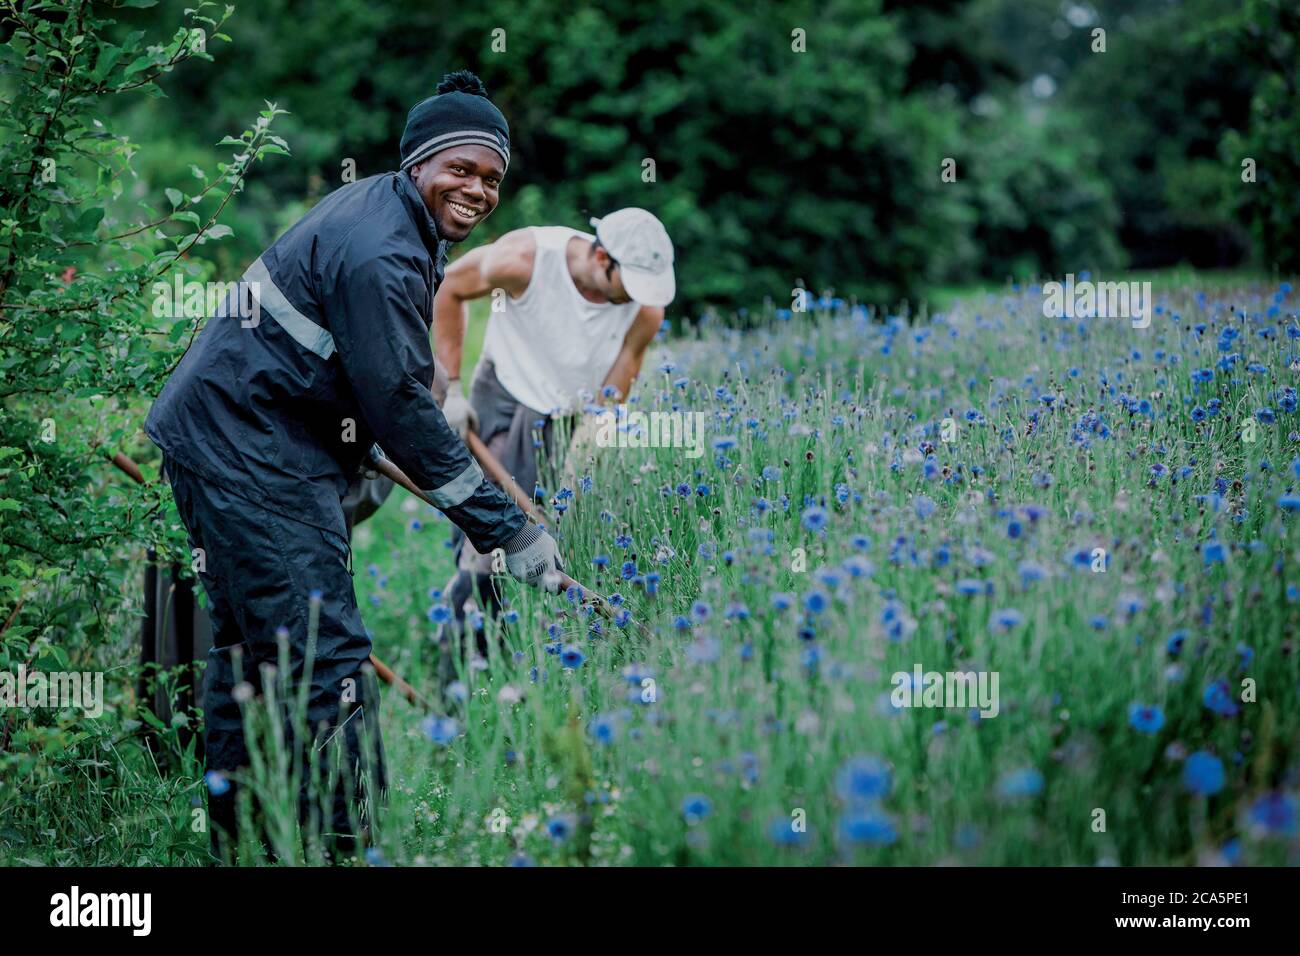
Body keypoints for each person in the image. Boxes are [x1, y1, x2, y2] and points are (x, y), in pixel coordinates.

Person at [144, 71, 563, 860]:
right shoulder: (383, 247)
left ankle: (241, 843)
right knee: (327, 656)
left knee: (259, 651)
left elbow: (360, 379)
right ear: (419, 163)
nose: (477, 189)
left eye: (492, 178)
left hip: (242, 433)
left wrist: (370, 431)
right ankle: (351, 847)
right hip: (249, 450)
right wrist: (509, 531)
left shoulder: (394, 219)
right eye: (462, 169)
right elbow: (402, 408)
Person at [431, 207, 674, 642]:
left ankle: (502, 647)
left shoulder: (645, 312)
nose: (640, 297)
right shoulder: (525, 259)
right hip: (503, 399)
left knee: (538, 542)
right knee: (486, 543)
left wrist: (573, 479)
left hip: (566, 421)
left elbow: (607, 405)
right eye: (632, 285)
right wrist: (451, 385)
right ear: (603, 259)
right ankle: (461, 664)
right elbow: (449, 286)